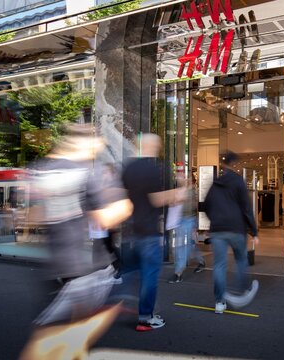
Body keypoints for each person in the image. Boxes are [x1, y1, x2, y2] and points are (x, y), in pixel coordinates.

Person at [20, 124, 133, 360]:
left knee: (53, 335)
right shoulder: (90, 172)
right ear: (87, 143)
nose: (98, 150)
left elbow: (32, 216)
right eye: (97, 145)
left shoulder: (42, 169)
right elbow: (112, 215)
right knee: (61, 339)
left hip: (56, 267)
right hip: (88, 269)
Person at [121, 133, 185, 331]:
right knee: (150, 274)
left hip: (132, 228)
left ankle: (119, 298)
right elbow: (156, 199)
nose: (158, 147)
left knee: (133, 268)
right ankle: (146, 317)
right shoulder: (152, 168)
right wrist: (179, 191)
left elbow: (123, 197)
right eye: (157, 144)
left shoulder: (129, 168)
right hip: (149, 230)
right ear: (151, 146)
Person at [204, 151, 259, 314]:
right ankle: (243, 292)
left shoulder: (215, 183)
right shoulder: (238, 181)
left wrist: (214, 220)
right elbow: (247, 208)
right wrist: (254, 231)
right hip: (236, 229)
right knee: (241, 260)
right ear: (235, 164)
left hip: (218, 230)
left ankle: (219, 302)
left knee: (219, 265)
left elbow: (206, 206)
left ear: (223, 165)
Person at [168, 173, 205, 283]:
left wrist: (195, 226)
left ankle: (178, 272)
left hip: (189, 221)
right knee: (190, 244)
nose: (179, 179)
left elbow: (194, 208)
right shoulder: (180, 190)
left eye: (182, 178)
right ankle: (201, 261)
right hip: (181, 220)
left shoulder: (192, 191)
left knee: (183, 247)